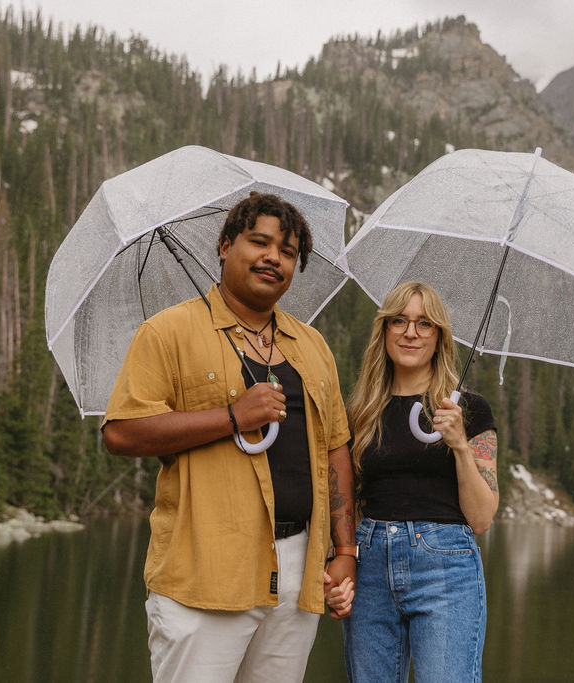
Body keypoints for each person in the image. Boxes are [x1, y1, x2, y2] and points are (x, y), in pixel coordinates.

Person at [102, 192, 356, 683]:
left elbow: (335, 447)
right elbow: (121, 432)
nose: (272, 258)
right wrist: (232, 416)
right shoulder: (168, 332)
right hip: (206, 569)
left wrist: (345, 553)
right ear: (224, 246)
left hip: (299, 570)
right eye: (258, 242)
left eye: (286, 251)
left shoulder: (312, 345)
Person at [330, 280, 498, 682]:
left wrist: (459, 445)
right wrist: (339, 559)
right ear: (384, 330)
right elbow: (345, 501)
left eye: (424, 324)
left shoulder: (469, 409)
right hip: (368, 565)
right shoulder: (360, 412)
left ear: (439, 337)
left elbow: (481, 519)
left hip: (446, 569)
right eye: (399, 321)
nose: (410, 332)